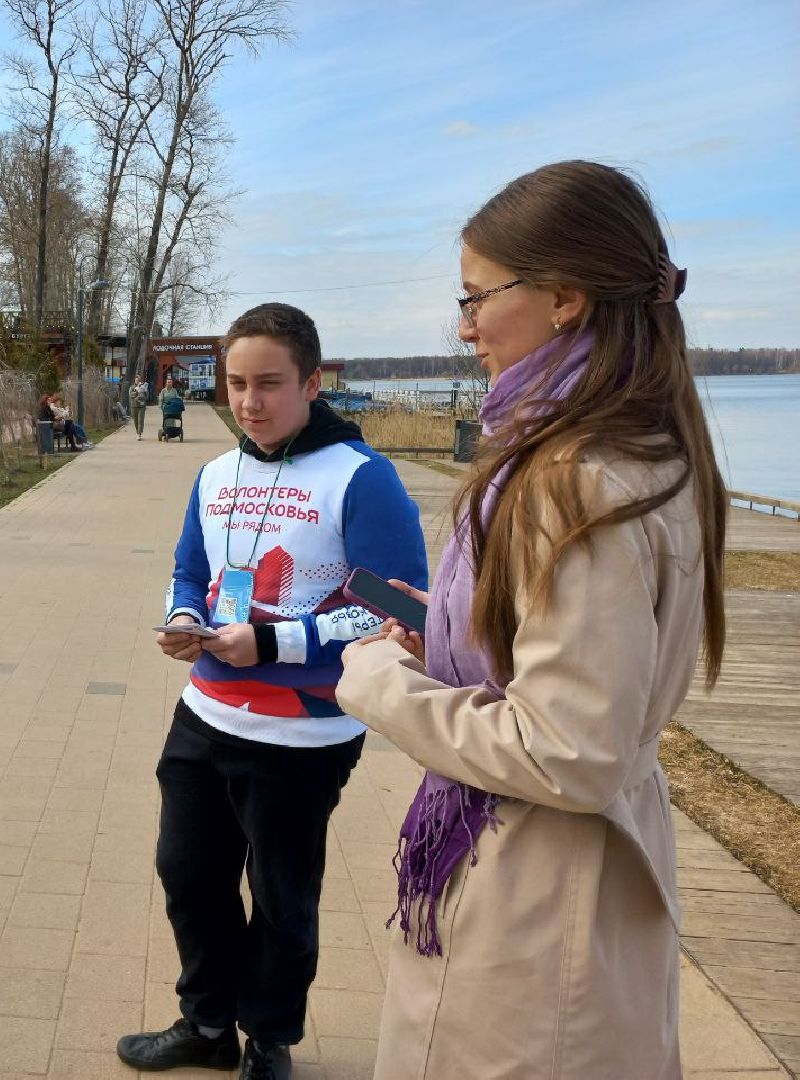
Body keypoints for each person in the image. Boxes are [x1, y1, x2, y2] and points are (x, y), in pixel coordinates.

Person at [336, 161, 725, 1079]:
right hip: (584, 876)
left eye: (477, 298)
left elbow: (569, 749)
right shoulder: (643, 449)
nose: (464, 326)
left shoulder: (573, 476)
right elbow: (588, 671)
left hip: (542, 888)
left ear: (564, 297)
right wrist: (464, 629)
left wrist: (381, 684)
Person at [118, 303, 428, 1080]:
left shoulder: (364, 477)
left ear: (313, 382)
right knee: (188, 876)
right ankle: (208, 1024)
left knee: (282, 900)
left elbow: (393, 606)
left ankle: (269, 1042)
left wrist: (275, 642)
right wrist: (182, 619)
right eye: (235, 384)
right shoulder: (216, 472)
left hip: (304, 734)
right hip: (205, 711)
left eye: (270, 384)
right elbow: (192, 569)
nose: (249, 402)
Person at [129, 374, 150, 439]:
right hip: (134, 405)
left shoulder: (143, 387)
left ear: (140, 381)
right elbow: (131, 395)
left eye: (138, 380)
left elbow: (147, 396)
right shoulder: (132, 387)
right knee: (135, 420)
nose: (137, 381)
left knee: (140, 420)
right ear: (134, 381)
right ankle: (137, 431)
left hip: (142, 406)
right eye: (136, 380)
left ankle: (139, 433)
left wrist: (145, 392)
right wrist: (137, 392)